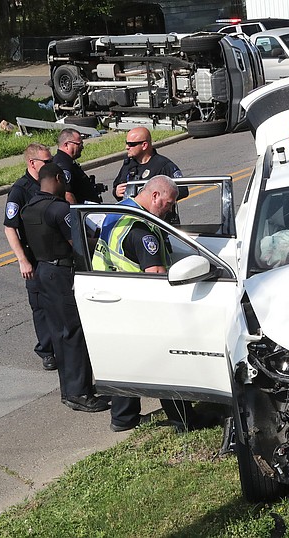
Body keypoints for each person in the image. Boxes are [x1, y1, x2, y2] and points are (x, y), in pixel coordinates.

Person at [93, 175, 206, 432]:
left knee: (126, 358)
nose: (170, 209)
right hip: (140, 302)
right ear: (155, 196)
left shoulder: (120, 211)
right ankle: (183, 421)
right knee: (166, 361)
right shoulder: (142, 230)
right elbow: (155, 276)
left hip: (111, 295)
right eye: (168, 203)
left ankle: (123, 418)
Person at [21, 163, 110, 413]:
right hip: (63, 273)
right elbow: (79, 243)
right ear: (58, 178)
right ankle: (80, 393)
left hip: (43, 272)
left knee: (60, 334)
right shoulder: (61, 210)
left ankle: (69, 390)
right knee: (74, 333)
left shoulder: (30, 208)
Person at [3, 143, 57, 372]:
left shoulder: (52, 182)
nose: (51, 164)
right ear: (32, 163)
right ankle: (47, 351)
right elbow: (9, 228)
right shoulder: (20, 190)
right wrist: (22, 260)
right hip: (34, 257)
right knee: (41, 307)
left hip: (54, 254)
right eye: (47, 161)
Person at [111, 127, 183, 201]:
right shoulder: (128, 164)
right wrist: (116, 192)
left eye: (131, 144)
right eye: (126, 143)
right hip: (132, 211)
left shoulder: (163, 165)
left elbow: (182, 190)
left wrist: (158, 197)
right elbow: (117, 185)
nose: (127, 147)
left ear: (144, 145)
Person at [52, 128, 103, 204]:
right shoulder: (63, 164)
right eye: (79, 144)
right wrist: (76, 214)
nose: (82, 147)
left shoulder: (67, 161)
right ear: (66, 145)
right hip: (84, 212)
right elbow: (67, 194)